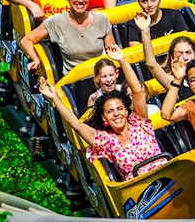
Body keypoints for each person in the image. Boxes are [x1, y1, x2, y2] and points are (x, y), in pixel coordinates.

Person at [39, 53, 166, 182]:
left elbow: (138, 91)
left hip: (166, 175)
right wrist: (55, 98)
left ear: (127, 111)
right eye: (110, 111)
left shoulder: (139, 123)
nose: (116, 114)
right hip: (140, 189)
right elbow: (76, 125)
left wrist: (123, 61)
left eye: (120, 109)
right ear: (104, 118)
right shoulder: (106, 140)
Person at [20, 0, 116, 74]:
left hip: (102, 76)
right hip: (75, 80)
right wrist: (35, 59)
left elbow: (112, 53)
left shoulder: (101, 19)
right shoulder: (56, 22)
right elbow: (27, 40)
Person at [123, 0, 192, 46]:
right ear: (139, 3)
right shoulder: (134, 25)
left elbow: (185, 41)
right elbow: (137, 52)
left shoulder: (174, 15)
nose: (149, 5)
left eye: (153, 0)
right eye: (144, 1)